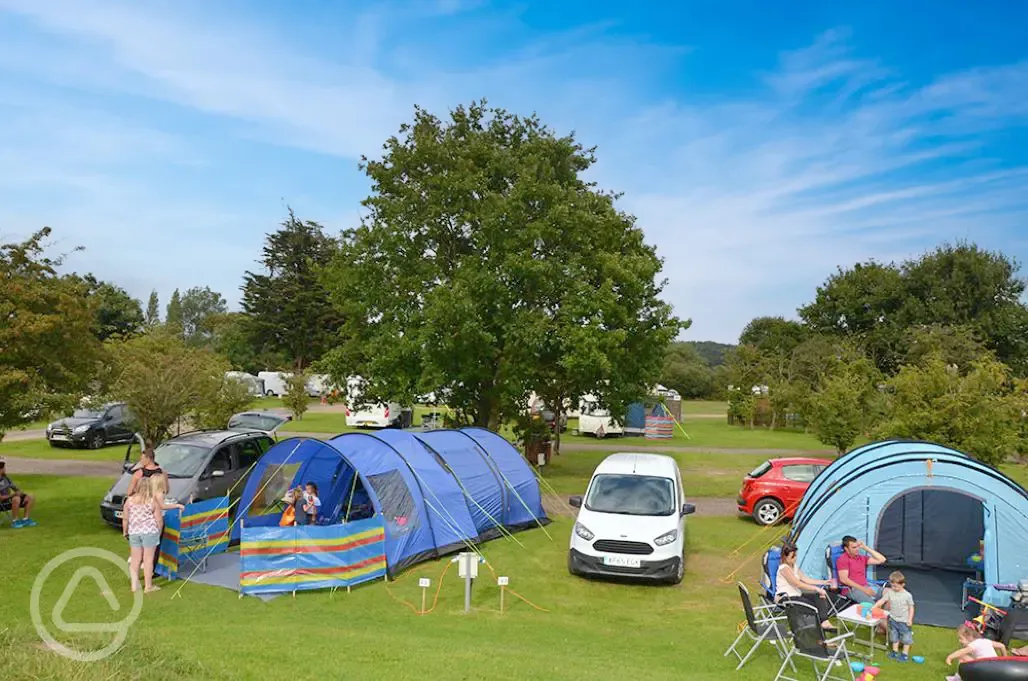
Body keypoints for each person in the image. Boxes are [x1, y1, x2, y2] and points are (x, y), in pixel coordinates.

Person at [123, 476, 183, 593]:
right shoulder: (152, 501)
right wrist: (159, 531)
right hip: (150, 532)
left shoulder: (129, 501)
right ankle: (148, 586)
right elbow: (159, 519)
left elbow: (125, 518)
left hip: (134, 532)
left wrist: (125, 531)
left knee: (135, 559)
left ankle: (134, 586)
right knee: (148, 559)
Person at [776, 544, 838, 631]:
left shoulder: (794, 566)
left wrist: (824, 582)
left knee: (819, 596)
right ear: (785, 557)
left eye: (796, 555)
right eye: (792, 556)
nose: (795, 558)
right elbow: (797, 584)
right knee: (813, 606)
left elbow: (806, 579)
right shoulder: (784, 569)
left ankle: (824, 622)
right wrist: (816, 588)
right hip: (786, 598)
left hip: (797, 595)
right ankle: (812, 628)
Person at [875, 570, 915, 661]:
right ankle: (895, 651)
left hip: (904, 621)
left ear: (903, 584)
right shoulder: (890, 592)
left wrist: (910, 619)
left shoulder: (907, 595)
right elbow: (882, 601)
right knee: (894, 636)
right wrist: (874, 607)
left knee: (906, 638)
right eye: (892, 586)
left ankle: (905, 654)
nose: (894, 588)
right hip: (893, 620)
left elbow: (911, 608)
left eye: (896, 586)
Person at [837, 535, 888, 601]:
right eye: (854, 547)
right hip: (852, 589)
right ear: (846, 549)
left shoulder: (861, 558)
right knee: (872, 606)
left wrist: (865, 547)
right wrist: (864, 589)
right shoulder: (843, 559)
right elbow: (844, 579)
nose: (857, 549)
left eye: (858, 546)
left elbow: (882, 559)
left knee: (890, 595)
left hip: (866, 586)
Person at [0, 460, 36, 528]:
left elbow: (16, 489)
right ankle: (15, 521)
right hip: (1, 503)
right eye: (4, 468)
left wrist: (22, 494)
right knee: (16, 498)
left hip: (9, 500)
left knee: (30, 496)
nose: (5, 469)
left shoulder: (6, 478)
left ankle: (26, 519)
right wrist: (13, 495)